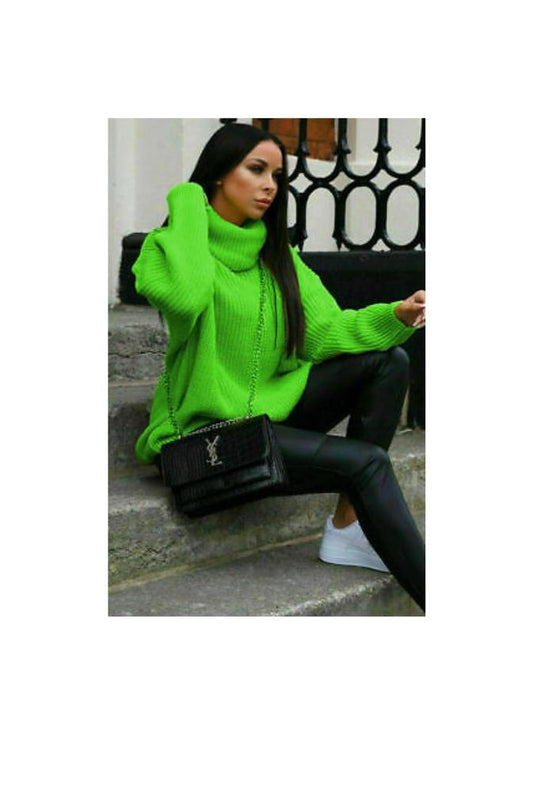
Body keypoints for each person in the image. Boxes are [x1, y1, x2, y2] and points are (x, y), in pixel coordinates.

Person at [132, 122, 426, 611]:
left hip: (267, 423)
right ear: (217, 175)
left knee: (388, 360)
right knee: (366, 462)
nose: (270, 185)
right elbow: (186, 297)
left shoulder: (277, 256)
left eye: (276, 175)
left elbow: (325, 332)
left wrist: (394, 315)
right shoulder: (167, 249)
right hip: (205, 441)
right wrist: (187, 199)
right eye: (256, 170)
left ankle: (348, 527)